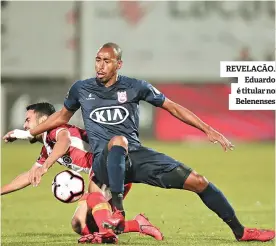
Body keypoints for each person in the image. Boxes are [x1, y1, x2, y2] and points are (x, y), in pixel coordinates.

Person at [4, 43, 275, 242]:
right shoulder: (81, 89)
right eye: (97, 60)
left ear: (118, 64)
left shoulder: (135, 86)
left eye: (106, 61)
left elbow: (173, 107)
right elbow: (61, 117)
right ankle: (117, 214)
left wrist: (208, 129)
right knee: (109, 156)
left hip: (135, 155)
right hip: (103, 158)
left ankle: (241, 232)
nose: (100, 65)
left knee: (200, 181)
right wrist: (29, 133)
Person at [1, 102, 163, 244]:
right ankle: (138, 225)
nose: (25, 126)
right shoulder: (47, 148)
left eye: (28, 120)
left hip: (112, 165)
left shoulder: (55, 130)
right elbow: (29, 175)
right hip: (105, 172)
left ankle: (107, 235)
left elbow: (65, 142)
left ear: (43, 121)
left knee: (96, 205)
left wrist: (46, 166)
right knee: (79, 223)